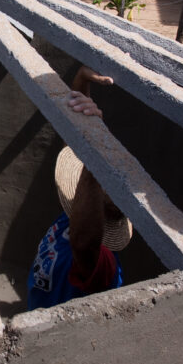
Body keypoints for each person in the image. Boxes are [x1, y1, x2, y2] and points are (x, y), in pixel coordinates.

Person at [28, 67, 133, 310]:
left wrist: (96, 154)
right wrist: (81, 81)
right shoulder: (73, 214)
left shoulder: (103, 263)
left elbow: (83, 244)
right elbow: (72, 141)